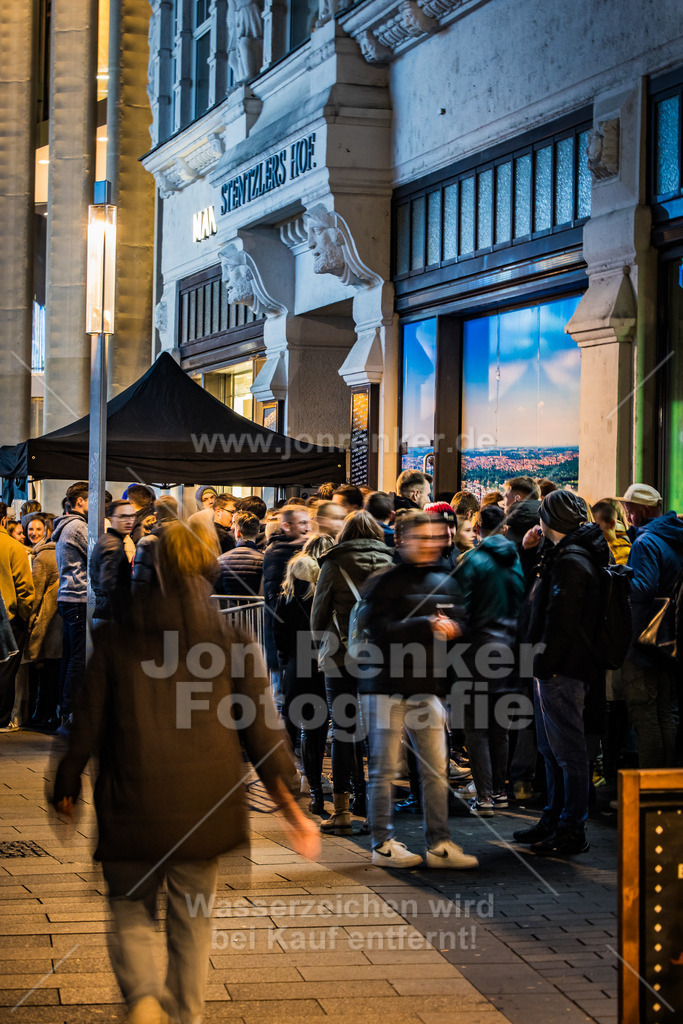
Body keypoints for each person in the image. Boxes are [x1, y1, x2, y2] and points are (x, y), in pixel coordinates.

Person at [52, 520, 319, 1024]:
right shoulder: (230, 637)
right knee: (192, 916)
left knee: (130, 907)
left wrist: (66, 784)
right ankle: (186, 1013)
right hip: (205, 805)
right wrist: (291, 808)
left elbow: (83, 720)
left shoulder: (114, 637)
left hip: (131, 800)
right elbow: (262, 731)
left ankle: (145, 1001)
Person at [357, 512, 478, 869]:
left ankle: (439, 844)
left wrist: (456, 628)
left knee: (436, 770)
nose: (429, 544)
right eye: (422, 538)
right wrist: (424, 625)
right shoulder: (384, 581)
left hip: (428, 687)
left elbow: (463, 626)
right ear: (403, 540)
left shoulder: (446, 579)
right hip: (386, 687)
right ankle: (382, 843)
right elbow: (377, 631)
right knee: (383, 770)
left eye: (435, 537)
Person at [515, 490, 610, 856]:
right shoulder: (564, 553)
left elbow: (561, 621)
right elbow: (537, 596)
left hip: (561, 670)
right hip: (554, 667)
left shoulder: (572, 561)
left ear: (549, 519)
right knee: (551, 749)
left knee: (568, 752)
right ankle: (553, 818)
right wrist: (530, 552)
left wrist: (546, 665)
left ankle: (572, 828)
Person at [310, 510, 393, 833]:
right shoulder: (391, 562)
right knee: (378, 732)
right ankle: (375, 811)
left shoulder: (334, 562)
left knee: (344, 730)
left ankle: (342, 812)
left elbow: (319, 615)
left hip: (341, 659)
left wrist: (323, 649)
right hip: (381, 658)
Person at [454, 504, 524, 815]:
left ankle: (483, 797)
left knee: (476, 727)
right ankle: (500, 790)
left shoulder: (472, 560)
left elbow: (462, 609)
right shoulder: (516, 559)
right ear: (505, 529)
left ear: (479, 527)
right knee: (500, 727)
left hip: (477, 653)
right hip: (509, 650)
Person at [615, 483, 683, 768]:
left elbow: (642, 588)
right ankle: (666, 789)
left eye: (630, 509)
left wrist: (616, 577)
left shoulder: (646, 543)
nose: (627, 514)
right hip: (670, 640)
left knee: (646, 717)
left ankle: (648, 791)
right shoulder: (675, 535)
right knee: (666, 714)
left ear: (642, 510)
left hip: (644, 640)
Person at [274, 534, 334, 815]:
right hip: (317, 666)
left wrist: (286, 664)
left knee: (292, 720)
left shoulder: (283, 600)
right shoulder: (320, 600)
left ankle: (293, 774)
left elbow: (280, 640)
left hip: (294, 668)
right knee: (315, 728)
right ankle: (313, 782)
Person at [262, 507, 312, 710]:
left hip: (287, 630)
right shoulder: (280, 551)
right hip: (288, 630)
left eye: (308, 523)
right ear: (286, 525)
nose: (307, 528)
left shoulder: (273, 548)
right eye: (302, 523)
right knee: (287, 691)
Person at [52, 482, 89, 732]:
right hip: (78, 597)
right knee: (77, 658)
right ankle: (69, 712)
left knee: (69, 657)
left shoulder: (66, 525)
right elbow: (96, 553)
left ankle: (63, 711)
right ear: (80, 502)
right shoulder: (78, 526)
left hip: (67, 597)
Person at [22, 527, 62, 730]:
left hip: (47, 624)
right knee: (54, 672)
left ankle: (42, 715)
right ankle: (49, 714)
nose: (33, 533)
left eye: (38, 529)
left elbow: (34, 595)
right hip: (62, 623)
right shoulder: (63, 552)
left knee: (45, 672)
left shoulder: (44, 557)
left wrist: (27, 622)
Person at [0, 502, 35, 729]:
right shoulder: (13, 547)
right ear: (4, 520)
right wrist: (24, 615)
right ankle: (2, 719)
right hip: (8, 618)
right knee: (5, 670)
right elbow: (25, 589)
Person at [89, 500, 136, 625]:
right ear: (111, 519)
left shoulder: (109, 540)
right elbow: (108, 584)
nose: (129, 521)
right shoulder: (113, 545)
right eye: (123, 517)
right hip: (110, 617)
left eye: (132, 516)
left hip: (106, 613)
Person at [216, 511, 264, 596]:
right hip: (255, 608)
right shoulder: (263, 560)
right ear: (257, 532)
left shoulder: (221, 560)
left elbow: (217, 589)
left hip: (229, 608)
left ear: (238, 533)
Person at [592, 499, 631, 565]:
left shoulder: (623, 552)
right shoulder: (598, 547)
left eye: (595, 524)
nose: (591, 528)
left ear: (612, 523)